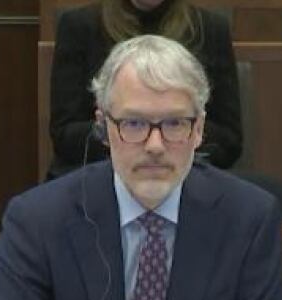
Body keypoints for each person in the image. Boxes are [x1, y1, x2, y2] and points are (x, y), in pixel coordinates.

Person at [0, 35, 282, 300]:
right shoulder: (38, 219)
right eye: (134, 123)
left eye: (174, 123)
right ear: (103, 127)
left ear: (200, 128)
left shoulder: (249, 218)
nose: (155, 145)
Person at [47, 0, 242, 180]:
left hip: (187, 177)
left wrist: (175, 139)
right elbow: (65, 134)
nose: (153, 145)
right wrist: (130, 143)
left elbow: (229, 140)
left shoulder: (210, 28)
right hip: (98, 175)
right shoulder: (79, 25)